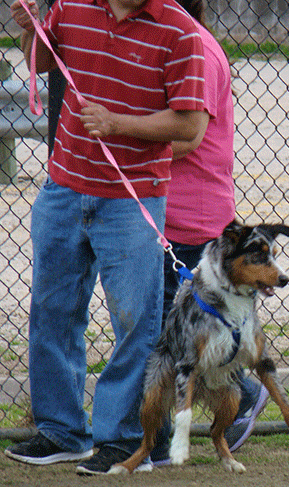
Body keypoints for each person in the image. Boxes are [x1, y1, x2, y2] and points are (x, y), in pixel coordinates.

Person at [6, 0, 206, 475]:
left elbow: (190, 125)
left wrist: (119, 125)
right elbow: (40, 60)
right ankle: (60, 430)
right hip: (64, 187)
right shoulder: (71, 7)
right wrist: (29, 30)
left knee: (137, 320)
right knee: (52, 308)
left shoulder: (180, 33)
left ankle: (123, 440)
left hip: (133, 197)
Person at [149, 0, 269, 465]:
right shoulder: (179, 42)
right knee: (179, 332)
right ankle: (237, 395)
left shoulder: (194, 46)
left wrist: (117, 136)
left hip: (190, 218)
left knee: (175, 334)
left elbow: (186, 134)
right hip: (167, 210)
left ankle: (232, 401)